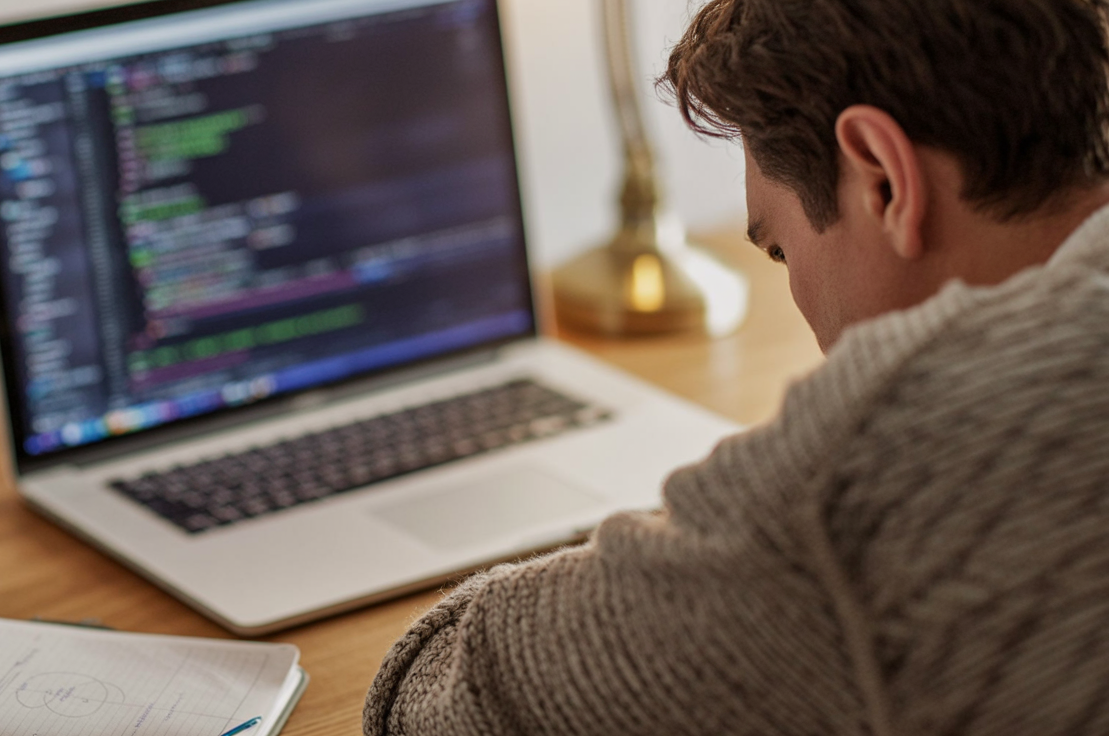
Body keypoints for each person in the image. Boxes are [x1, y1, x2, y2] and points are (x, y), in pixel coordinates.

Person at [362, 0, 1109, 733]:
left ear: (884, 178)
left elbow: (437, 702)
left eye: (780, 248)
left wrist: (720, 523)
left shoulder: (884, 463)